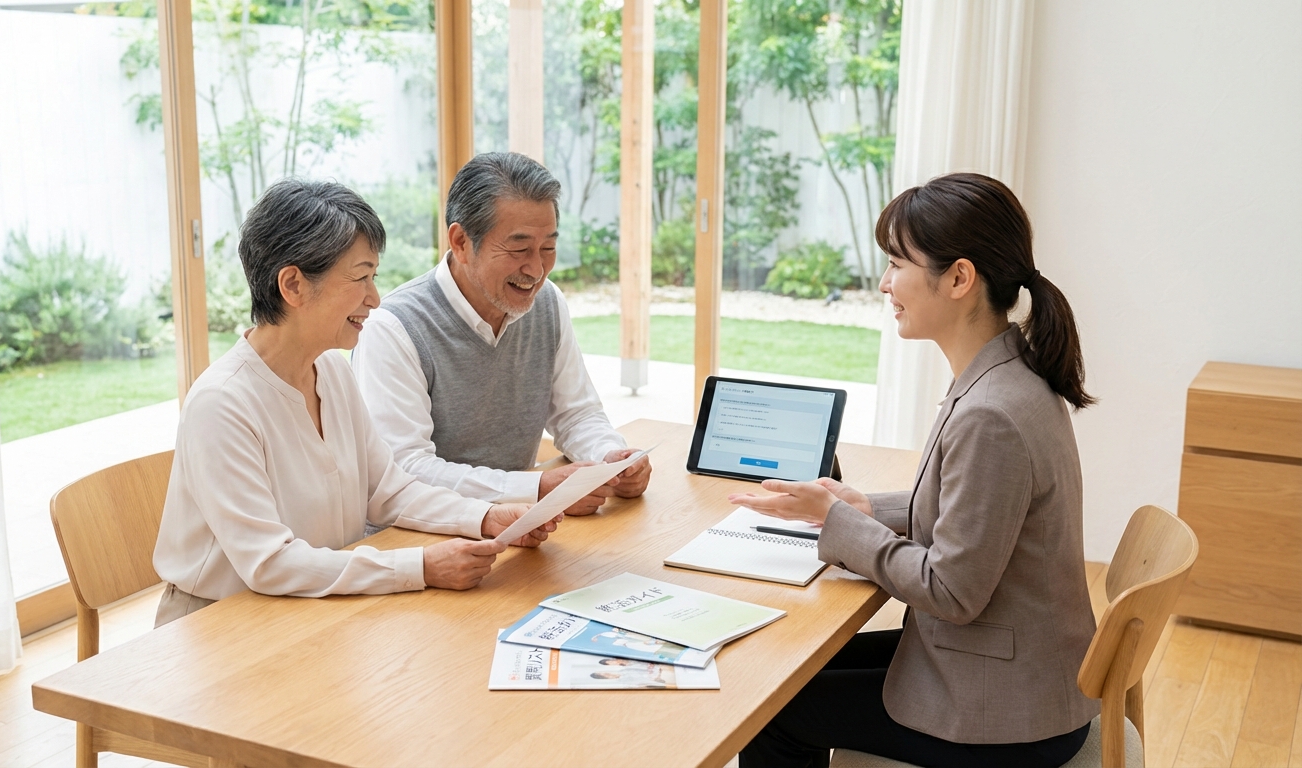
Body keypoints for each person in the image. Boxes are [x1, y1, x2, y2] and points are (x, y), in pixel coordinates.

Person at [731, 173, 1099, 767]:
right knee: (787, 669)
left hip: (1004, 711)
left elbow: (950, 590)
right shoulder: (1005, 374)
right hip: (1012, 667)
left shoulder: (992, 413)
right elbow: (973, 507)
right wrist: (865, 508)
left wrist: (840, 525)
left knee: (767, 714)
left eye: (897, 264)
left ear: (958, 277)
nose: (884, 284)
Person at [151, 178, 558, 629]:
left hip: (312, 605)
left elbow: (387, 492)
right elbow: (269, 563)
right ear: (293, 285)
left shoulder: (332, 371)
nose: (375, 299)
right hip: (221, 624)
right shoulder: (221, 404)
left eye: (374, 277)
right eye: (360, 277)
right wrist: (420, 567)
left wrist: (485, 517)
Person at [351, 152, 651, 519]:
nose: (537, 269)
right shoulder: (393, 328)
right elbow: (405, 470)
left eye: (549, 248)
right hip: (420, 542)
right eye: (519, 249)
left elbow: (576, 414)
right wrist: (535, 489)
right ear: (461, 242)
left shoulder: (546, 303)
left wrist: (610, 458)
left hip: (523, 529)